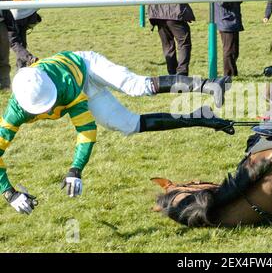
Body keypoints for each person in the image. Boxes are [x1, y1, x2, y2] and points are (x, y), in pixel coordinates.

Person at [0, 50, 233, 215]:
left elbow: (86, 131)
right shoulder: (14, 113)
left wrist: (75, 169)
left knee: (137, 86)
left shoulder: (64, 87)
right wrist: (9, 193)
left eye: (48, 104)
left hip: (87, 66)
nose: (49, 109)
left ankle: (210, 84)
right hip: (78, 84)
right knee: (127, 124)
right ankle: (200, 117)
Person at [147, 0, 195, 76]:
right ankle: (182, 72)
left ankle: (172, 73)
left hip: (158, 17)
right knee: (184, 43)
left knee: (168, 45)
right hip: (174, 16)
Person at [1, 0, 41, 69]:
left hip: (13, 16)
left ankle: (29, 58)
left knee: (13, 41)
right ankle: (22, 68)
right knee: (22, 42)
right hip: (26, 15)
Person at [213, 0, 247, 77]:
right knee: (229, 50)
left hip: (233, 20)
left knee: (234, 50)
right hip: (225, 21)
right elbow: (223, 0)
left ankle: (233, 73)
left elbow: (238, 0)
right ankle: (228, 75)